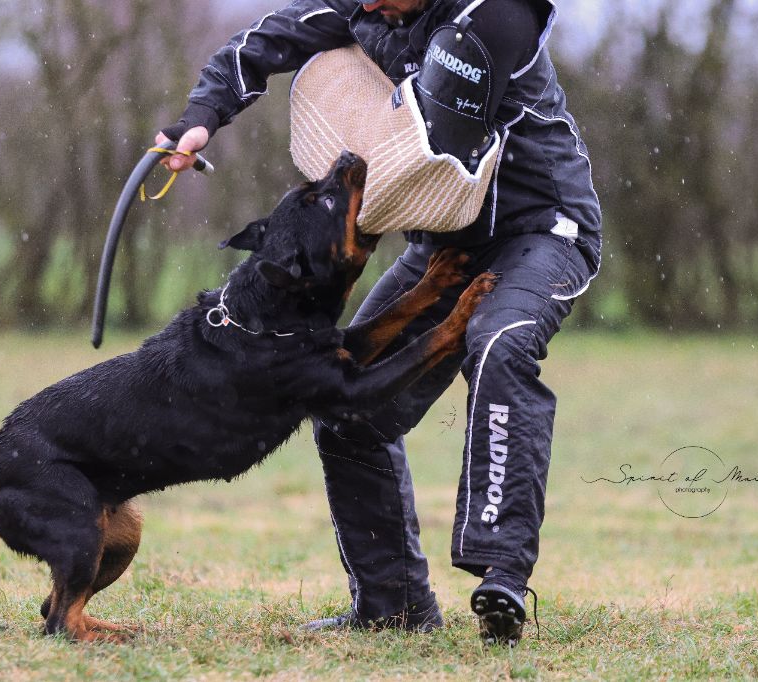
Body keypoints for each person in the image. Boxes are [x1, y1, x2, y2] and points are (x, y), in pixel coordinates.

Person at [157, 0, 602, 646]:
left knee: (498, 343)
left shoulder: (496, 15)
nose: (363, 5)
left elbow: (437, 132)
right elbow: (267, 40)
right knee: (344, 401)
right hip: (445, 249)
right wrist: (200, 118)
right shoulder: (371, 5)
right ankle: (392, 607)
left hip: (542, 230)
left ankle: (503, 572)